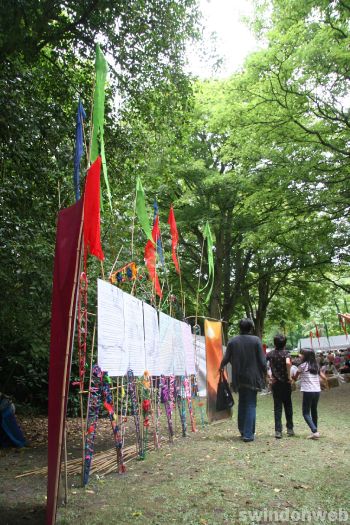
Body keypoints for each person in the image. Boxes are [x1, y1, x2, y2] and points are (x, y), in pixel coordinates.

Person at [220, 318, 267, 442]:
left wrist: (220, 368)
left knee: (242, 402)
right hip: (253, 377)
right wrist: (266, 373)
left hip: (238, 377)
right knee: (251, 404)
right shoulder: (256, 340)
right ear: (251, 327)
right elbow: (263, 362)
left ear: (240, 327)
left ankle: (242, 430)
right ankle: (248, 434)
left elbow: (225, 359)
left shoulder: (233, 341)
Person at [293, 349, 327, 440]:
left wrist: (292, 378)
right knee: (314, 410)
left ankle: (315, 431)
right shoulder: (316, 365)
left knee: (305, 413)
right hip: (317, 391)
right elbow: (324, 377)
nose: (299, 355)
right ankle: (315, 431)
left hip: (308, 391)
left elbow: (295, 377)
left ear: (306, 356)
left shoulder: (302, 366)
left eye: (301, 354)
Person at [267, 334, 294, 439]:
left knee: (277, 407)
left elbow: (263, 365)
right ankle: (290, 429)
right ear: (285, 343)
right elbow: (288, 363)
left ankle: (278, 431)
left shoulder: (270, 354)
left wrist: (268, 377)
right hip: (286, 383)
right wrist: (289, 376)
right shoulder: (286, 353)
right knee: (288, 405)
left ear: (274, 343)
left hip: (276, 383)